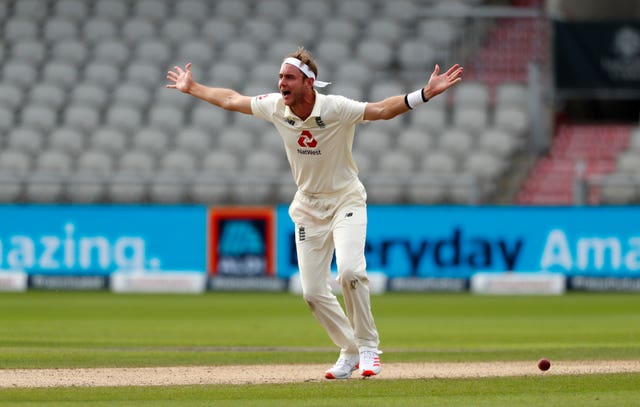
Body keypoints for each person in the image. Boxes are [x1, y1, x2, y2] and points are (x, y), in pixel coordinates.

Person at [167, 47, 463, 379]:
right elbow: (233, 100)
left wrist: (423, 94)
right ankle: (349, 351)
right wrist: (193, 88)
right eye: (280, 77)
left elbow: (381, 109)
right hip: (308, 207)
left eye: (288, 77)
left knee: (350, 271)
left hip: (346, 201)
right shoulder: (277, 107)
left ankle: (368, 347)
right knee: (311, 292)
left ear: (309, 82)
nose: (281, 83)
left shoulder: (335, 107)